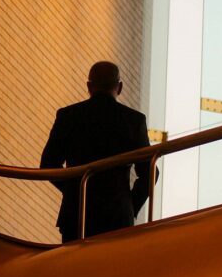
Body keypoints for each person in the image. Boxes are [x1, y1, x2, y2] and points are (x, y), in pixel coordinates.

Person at [40, 61, 155, 243]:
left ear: (89, 86)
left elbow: (48, 165)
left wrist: (75, 190)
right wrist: (129, 204)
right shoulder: (133, 120)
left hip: (77, 213)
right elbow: (150, 172)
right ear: (120, 87)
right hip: (116, 215)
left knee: (75, 261)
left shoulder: (69, 116)